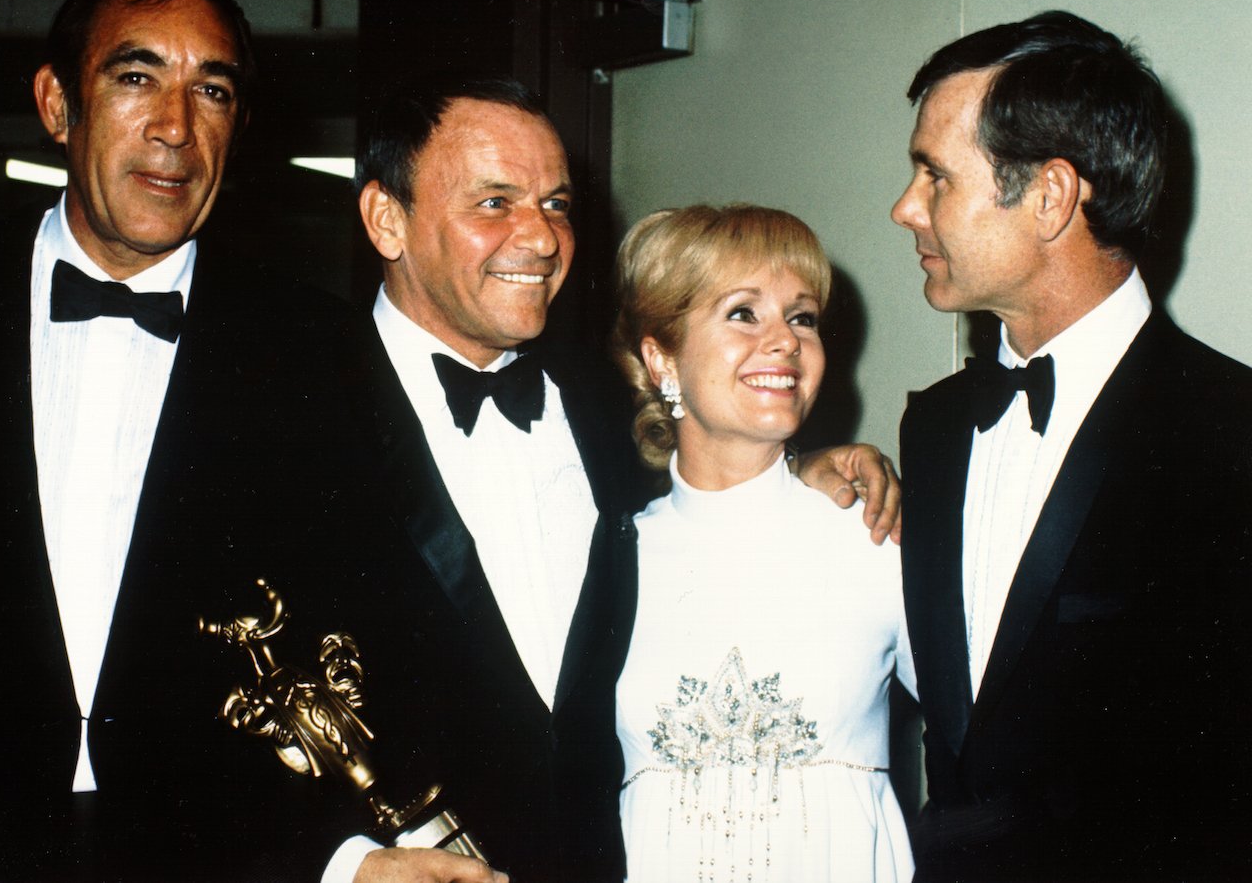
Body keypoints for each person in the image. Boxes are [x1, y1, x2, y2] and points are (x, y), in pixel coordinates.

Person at [320, 75, 902, 883]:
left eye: (556, 205)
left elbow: (719, 487)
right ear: (388, 218)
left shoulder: (597, 410)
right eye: (495, 202)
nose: (541, 237)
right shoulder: (287, 414)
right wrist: (342, 865)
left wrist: (809, 464)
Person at [0, 0, 348, 881]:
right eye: (136, 77)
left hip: (209, 854)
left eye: (211, 91)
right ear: (58, 106)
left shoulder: (318, 353)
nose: (176, 128)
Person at [891, 11, 1252, 882]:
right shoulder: (934, 429)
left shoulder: (1232, 434)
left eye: (935, 176)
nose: (905, 208)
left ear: (1051, 196)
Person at [609, 204, 916, 883]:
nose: (785, 341)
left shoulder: (871, 535)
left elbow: (996, 738)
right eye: (744, 313)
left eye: (802, 317)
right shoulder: (608, 560)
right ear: (662, 356)